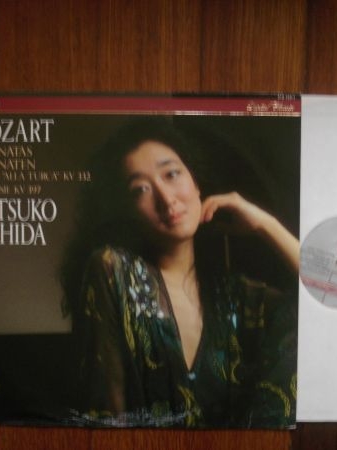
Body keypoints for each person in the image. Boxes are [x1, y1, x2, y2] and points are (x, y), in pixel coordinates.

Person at [62, 117, 299, 428]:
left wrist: (266, 225)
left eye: (172, 174)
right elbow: (106, 415)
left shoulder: (235, 296)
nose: (165, 198)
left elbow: (328, 295)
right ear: (127, 211)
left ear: (196, 183)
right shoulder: (114, 271)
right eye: (140, 189)